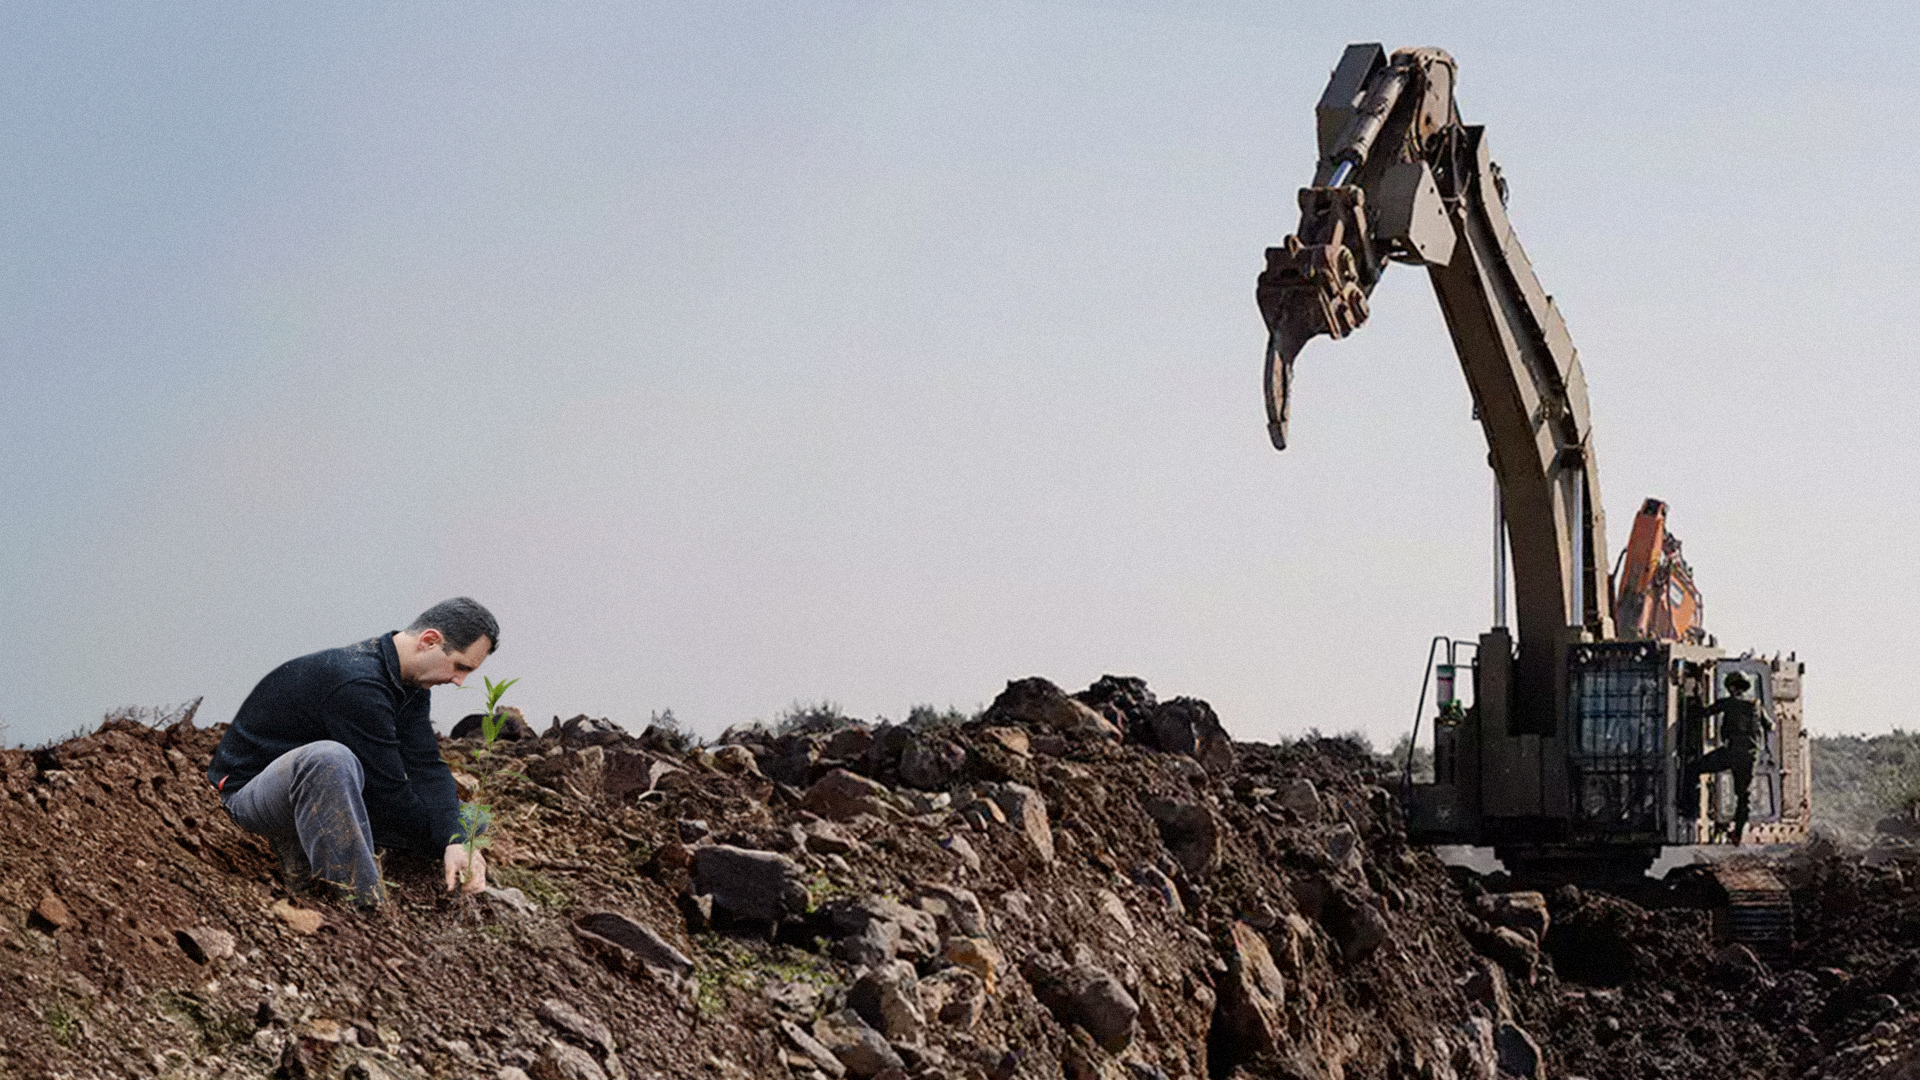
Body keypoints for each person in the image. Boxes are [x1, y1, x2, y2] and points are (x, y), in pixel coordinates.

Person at [206, 598, 501, 904]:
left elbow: (425, 764)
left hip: (338, 788)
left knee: (470, 821)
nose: (459, 681)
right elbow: (388, 792)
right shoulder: (357, 684)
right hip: (257, 794)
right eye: (460, 666)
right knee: (331, 759)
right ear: (429, 641)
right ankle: (360, 901)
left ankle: (320, 843)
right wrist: (447, 842)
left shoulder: (410, 682)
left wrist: (454, 837)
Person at [1682, 671, 1772, 844]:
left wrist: (1693, 698)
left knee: (1694, 769)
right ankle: (1737, 833)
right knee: (1743, 796)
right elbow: (1771, 726)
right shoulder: (1756, 704)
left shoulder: (1728, 703)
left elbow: (1703, 713)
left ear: (1731, 687)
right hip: (1749, 757)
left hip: (1730, 753)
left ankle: (1690, 810)